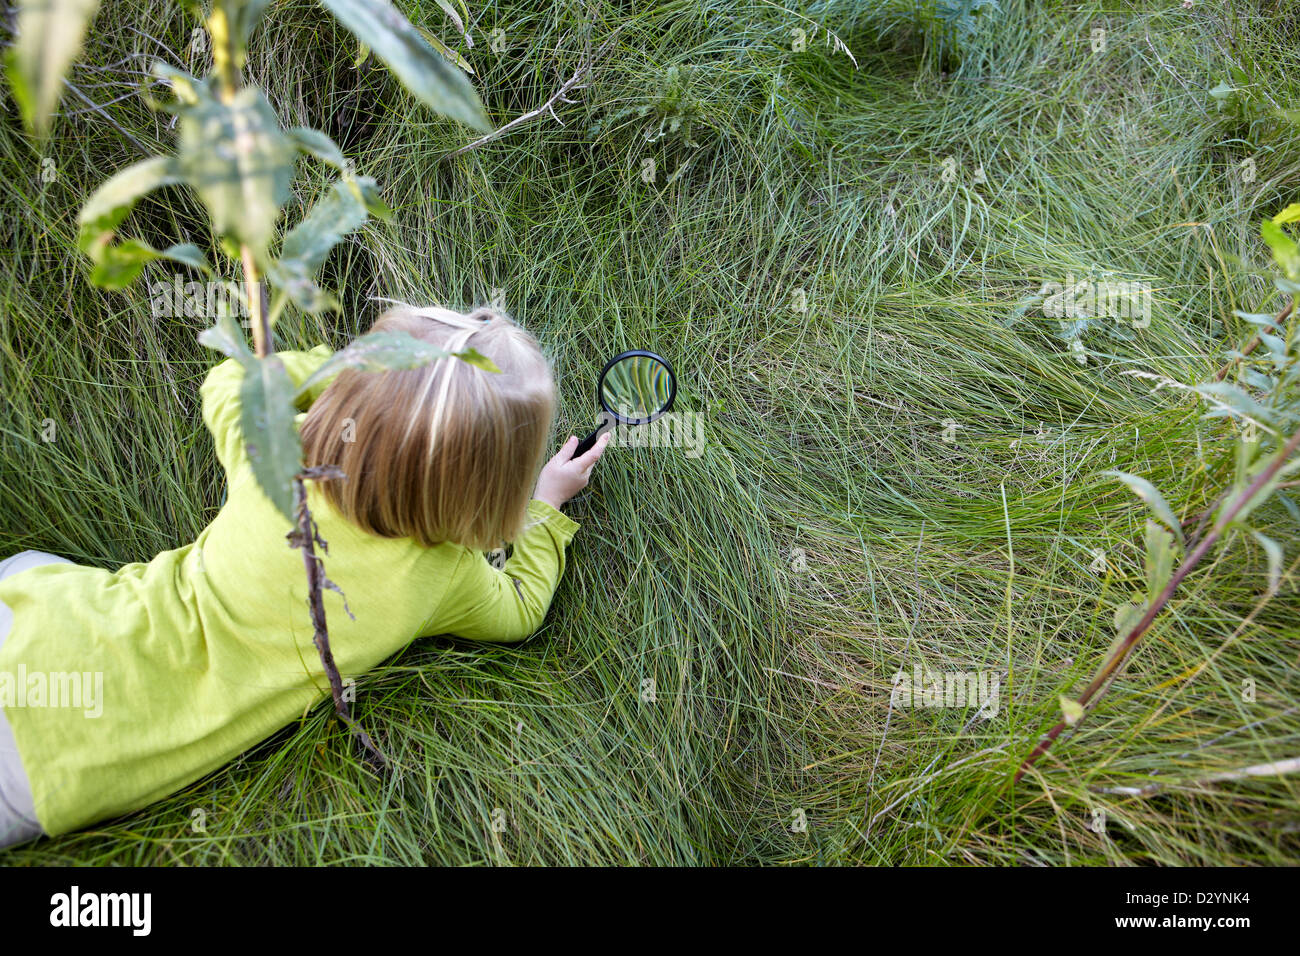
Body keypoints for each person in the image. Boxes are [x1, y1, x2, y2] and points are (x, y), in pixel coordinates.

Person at [0, 303, 610, 848]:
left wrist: (329, 369)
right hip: (53, 774)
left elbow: (228, 383)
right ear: (485, 489)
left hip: (47, 623)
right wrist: (547, 507)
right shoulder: (444, 575)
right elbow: (523, 606)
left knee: (31, 569)